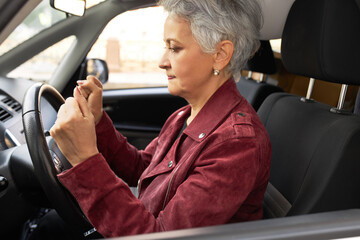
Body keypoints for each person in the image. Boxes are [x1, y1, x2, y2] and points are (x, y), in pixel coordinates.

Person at [49, 0, 271, 238]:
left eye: (174, 48)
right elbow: (143, 169)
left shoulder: (236, 144)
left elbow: (160, 235)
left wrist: (85, 160)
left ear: (220, 55)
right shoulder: (185, 115)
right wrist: (97, 121)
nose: (162, 61)